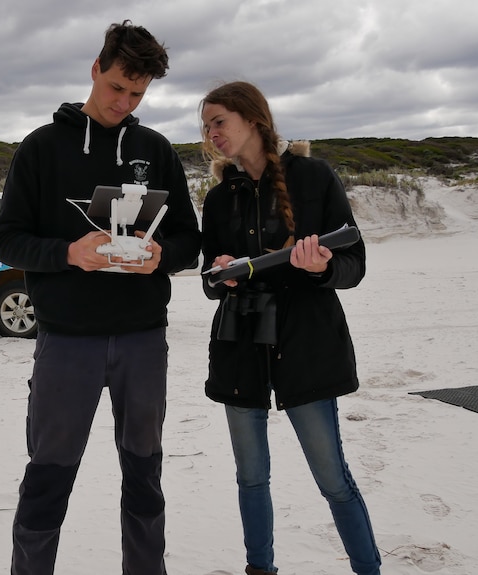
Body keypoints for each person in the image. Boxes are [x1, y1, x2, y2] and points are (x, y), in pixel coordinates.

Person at [0, 20, 202, 575]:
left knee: (144, 471)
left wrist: (163, 257)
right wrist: (69, 252)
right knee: (50, 472)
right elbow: (7, 241)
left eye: (137, 94)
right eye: (116, 88)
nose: (123, 102)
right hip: (66, 342)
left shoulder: (155, 149)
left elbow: (189, 239)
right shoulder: (41, 148)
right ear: (95, 69)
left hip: (141, 339)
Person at [198, 81, 382, 575]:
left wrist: (320, 266)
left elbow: (354, 263)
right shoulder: (218, 200)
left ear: (252, 118)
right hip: (240, 344)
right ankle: (260, 569)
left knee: (332, 478)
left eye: (219, 121)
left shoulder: (314, 176)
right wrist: (221, 274)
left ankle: (369, 569)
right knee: (251, 477)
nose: (211, 133)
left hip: (308, 344)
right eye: (206, 125)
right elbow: (208, 282)